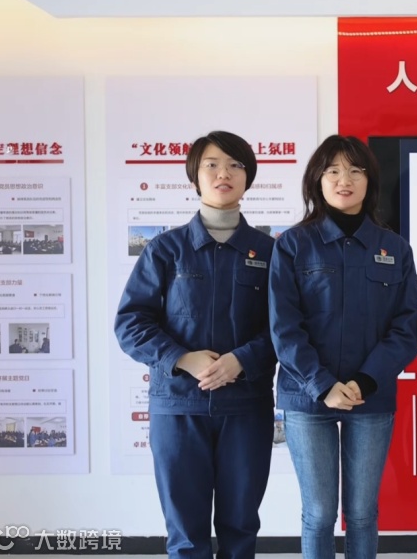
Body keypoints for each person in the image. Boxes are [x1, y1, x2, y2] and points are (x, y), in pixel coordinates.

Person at [114, 130, 276, 559]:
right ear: (194, 178)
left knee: (241, 526)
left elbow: (287, 328)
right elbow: (131, 323)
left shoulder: (269, 252)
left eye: (235, 165)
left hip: (246, 406)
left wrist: (242, 360)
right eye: (212, 165)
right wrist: (181, 358)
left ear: (248, 178)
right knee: (185, 532)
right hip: (178, 406)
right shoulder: (166, 250)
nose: (224, 173)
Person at [269, 135, 417, 559]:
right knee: (319, 513)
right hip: (307, 397)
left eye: (355, 170)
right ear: (317, 180)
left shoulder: (394, 248)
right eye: (332, 170)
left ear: (370, 181)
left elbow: (405, 328)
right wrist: (323, 385)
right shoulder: (293, 245)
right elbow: (284, 328)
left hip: (370, 397)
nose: (344, 180)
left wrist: (365, 381)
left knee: (362, 513)